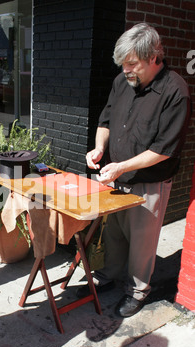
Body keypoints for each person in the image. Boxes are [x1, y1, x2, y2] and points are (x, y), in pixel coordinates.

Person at [80, 23, 191, 317]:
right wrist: (99, 148)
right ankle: (107, 278)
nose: (126, 70)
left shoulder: (175, 91)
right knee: (114, 234)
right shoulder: (121, 82)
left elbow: (163, 149)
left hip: (148, 181)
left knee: (142, 242)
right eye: (123, 64)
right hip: (115, 176)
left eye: (132, 64)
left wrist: (121, 166)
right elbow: (105, 120)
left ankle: (137, 291)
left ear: (154, 56)